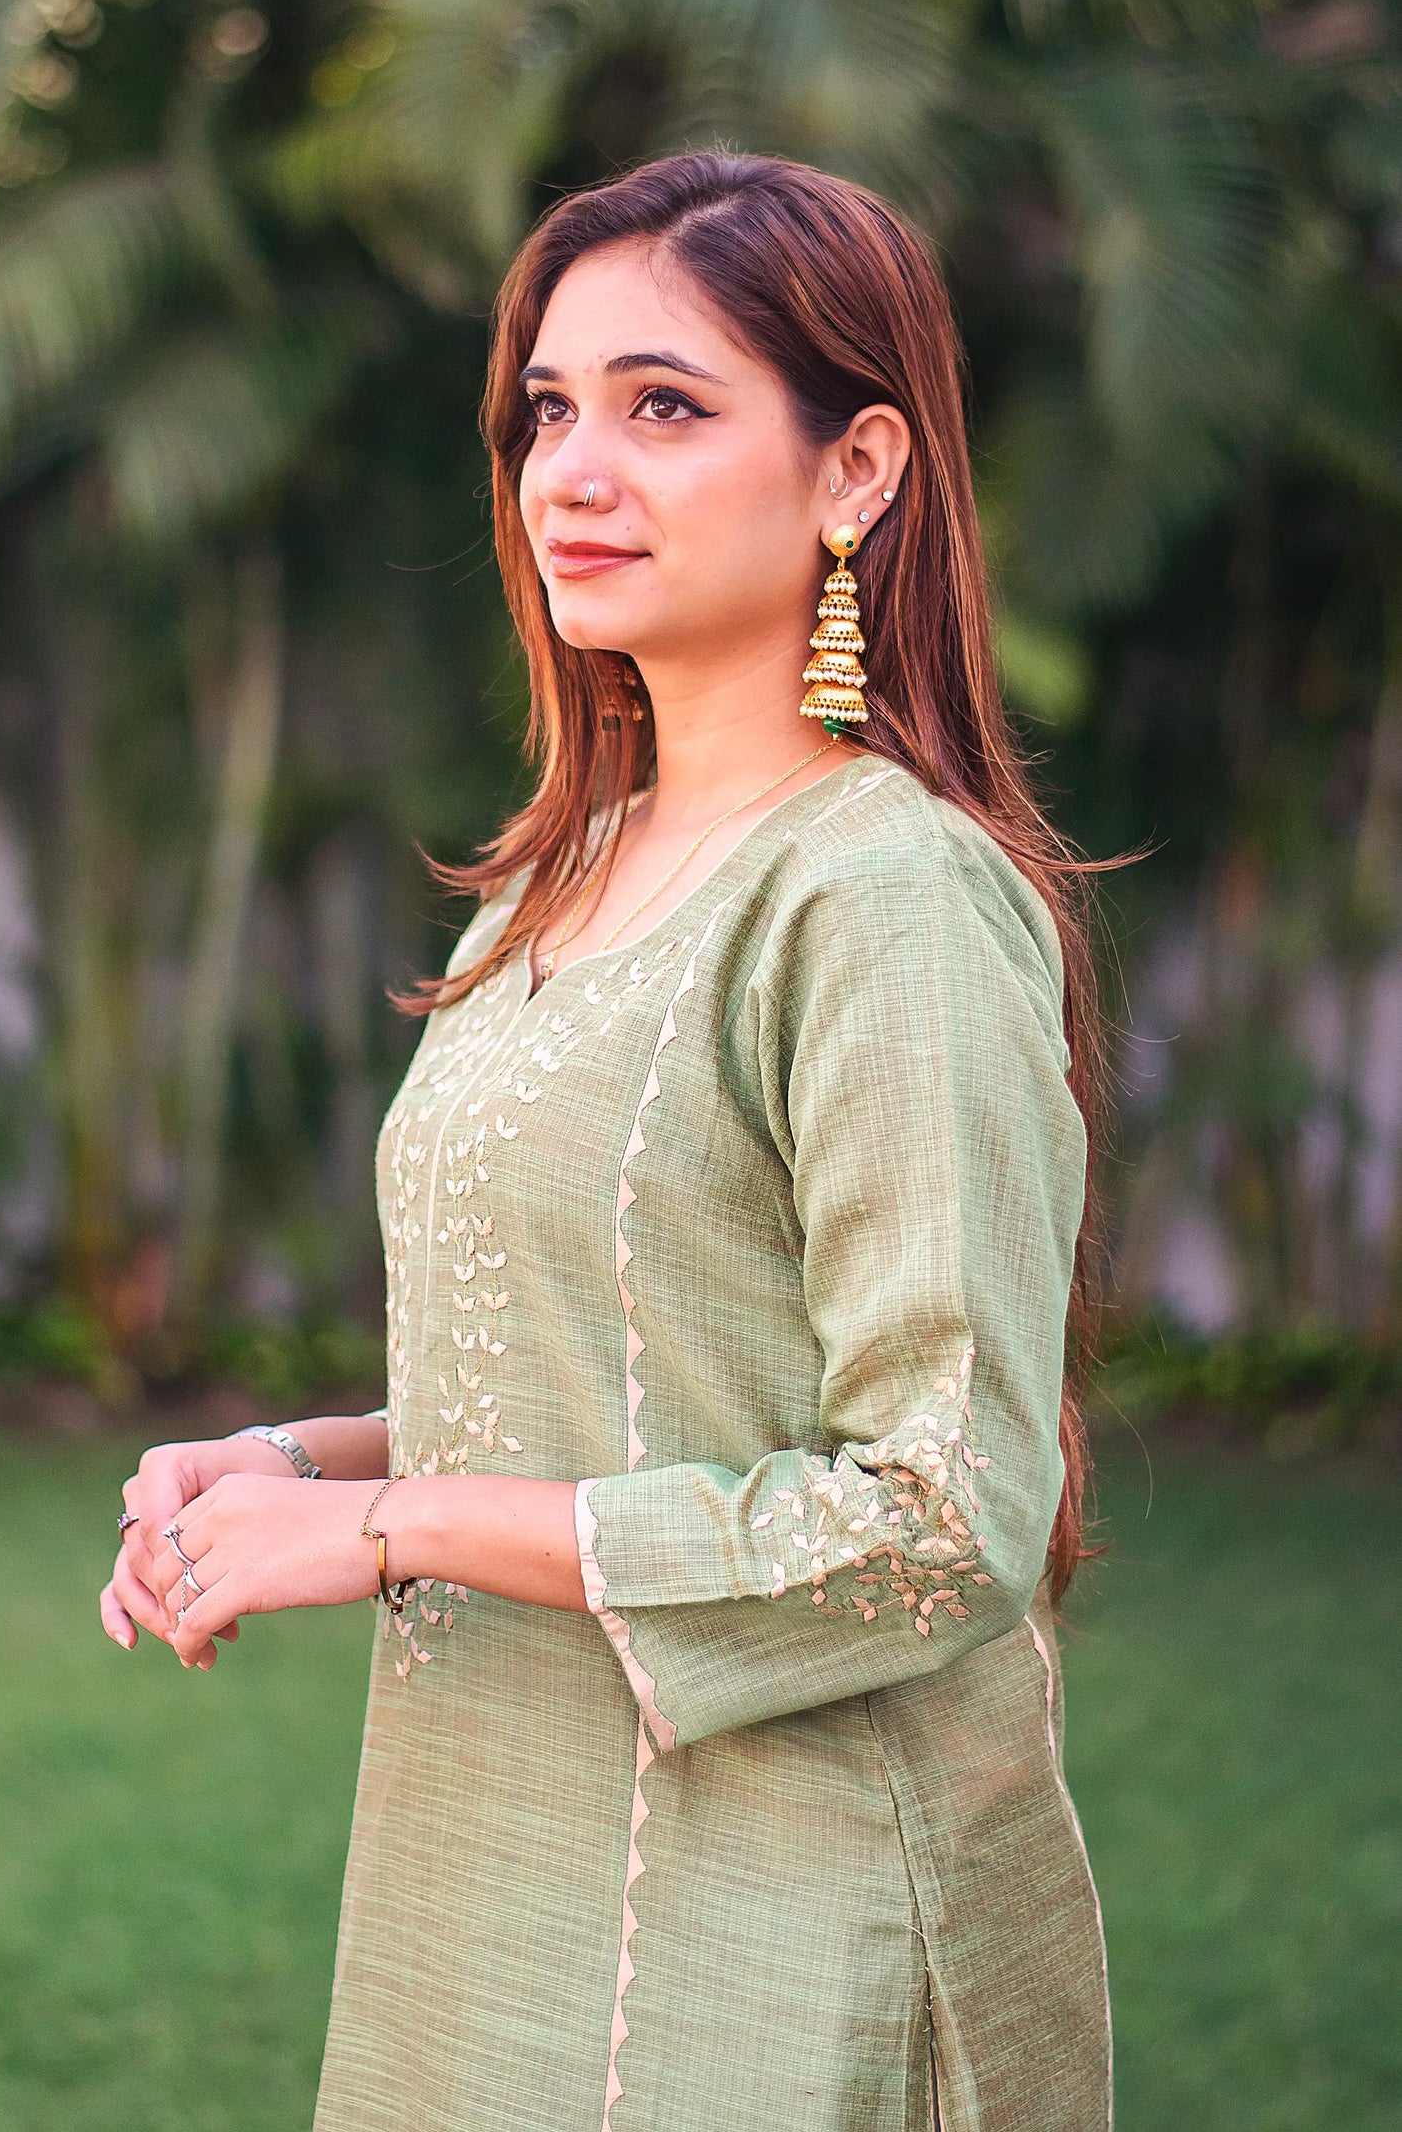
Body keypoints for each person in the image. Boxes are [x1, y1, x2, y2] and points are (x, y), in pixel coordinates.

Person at [102, 150, 1122, 2131]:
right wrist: (295, 1465)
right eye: (547, 413)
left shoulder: (884, 901)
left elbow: (938, 1515)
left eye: (666, 406)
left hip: (787, 1914)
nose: (571, 469)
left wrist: (387, 1530)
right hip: (491, 1872)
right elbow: (624, 1370)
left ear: (859, 471)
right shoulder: (544, 896)